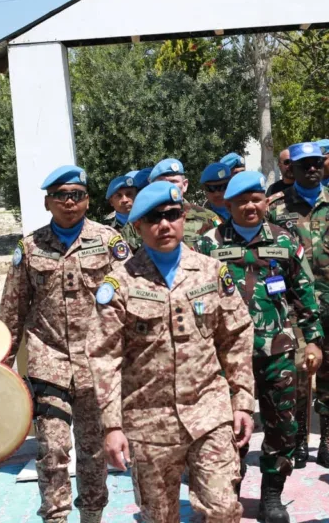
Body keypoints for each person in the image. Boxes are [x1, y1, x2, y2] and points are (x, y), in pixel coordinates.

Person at [91, 181, 255, 523]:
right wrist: (111, 427)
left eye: (172, 215)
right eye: (153, 218)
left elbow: (236, 335)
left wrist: (242, 400)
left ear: (183, 217)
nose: (164, 225)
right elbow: (104, 357)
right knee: (160, 516)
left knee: (224, 510)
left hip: (208, 414)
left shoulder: (211, 272)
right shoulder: (120, 283)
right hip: (149, 423)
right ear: (137, 225)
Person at [0, 165, 126, 523]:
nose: (70, 202)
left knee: (93, 452)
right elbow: (13, 307)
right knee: (53, 449)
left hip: (96, 364)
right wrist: (1, 363)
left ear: (87, 200)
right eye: (62, 196)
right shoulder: (30, 247)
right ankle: (54, 517)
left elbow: (129, 300)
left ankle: (91, 516)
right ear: (47, 202)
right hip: (48, 361)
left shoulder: (109, 243)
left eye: (78, 195)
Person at [195, 172, 324, 523]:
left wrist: (313, 340)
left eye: (256, 199)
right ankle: (228, 495)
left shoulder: (285, 241)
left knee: (283, 426)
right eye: (241, 201)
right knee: (225, 429)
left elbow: (305, 293)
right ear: (229, 205)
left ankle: (271, 496)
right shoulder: (208, 244)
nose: (250, 206)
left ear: (266, 202)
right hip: (224, 357)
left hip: (277, 350)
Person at [268, 141, 329, 470]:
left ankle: (328, 441)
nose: (311, 168)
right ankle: (299, 440)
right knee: (298, 372)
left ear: (323, 164)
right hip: (293, 308)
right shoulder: (275, 209)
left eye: (316, 162)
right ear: (291, 167)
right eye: (304, 163)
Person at [148, 158, 221, 247]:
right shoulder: (143, 219)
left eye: (173, 182)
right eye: (161, 183)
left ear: (185, 185)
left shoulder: (208, 217)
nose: (168, 188)